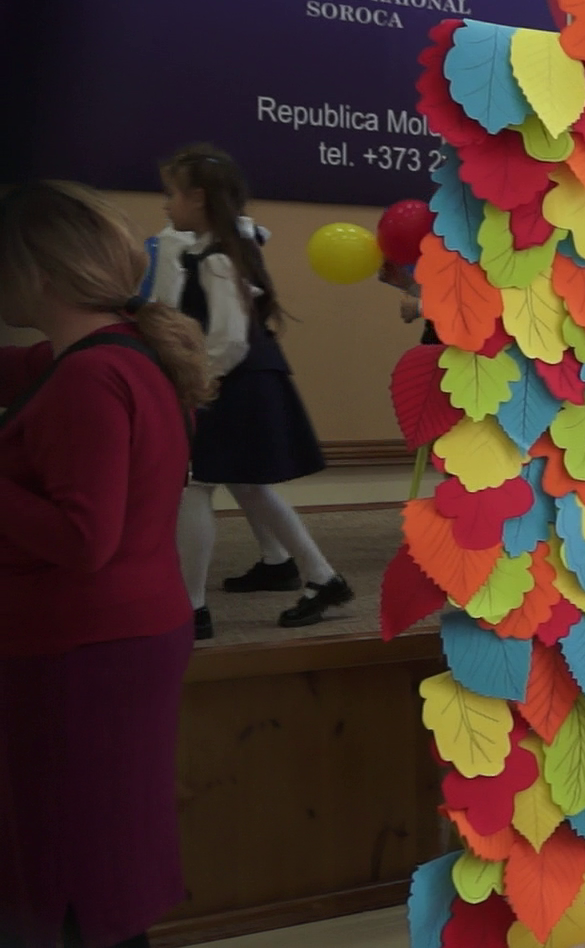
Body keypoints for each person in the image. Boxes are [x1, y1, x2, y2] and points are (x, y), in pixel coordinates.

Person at [0, 182, 213, 948]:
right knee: (99, 855)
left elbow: (83, 537)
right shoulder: (109, 352)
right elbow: (24, 370)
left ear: (37, 274)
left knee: (74, 868)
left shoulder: (90, 376)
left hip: (82, 649)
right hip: (115, 636)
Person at [152, 146, 352, 634]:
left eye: (172, 194)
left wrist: (196, 382)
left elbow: (229, 338)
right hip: (239, 379)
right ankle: (322, 578)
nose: (166, 204)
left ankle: (191, 608)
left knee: (196, 484)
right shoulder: (218, 248)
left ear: (198, 198)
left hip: (232, 380)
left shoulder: (219, 258)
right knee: (246, 485)